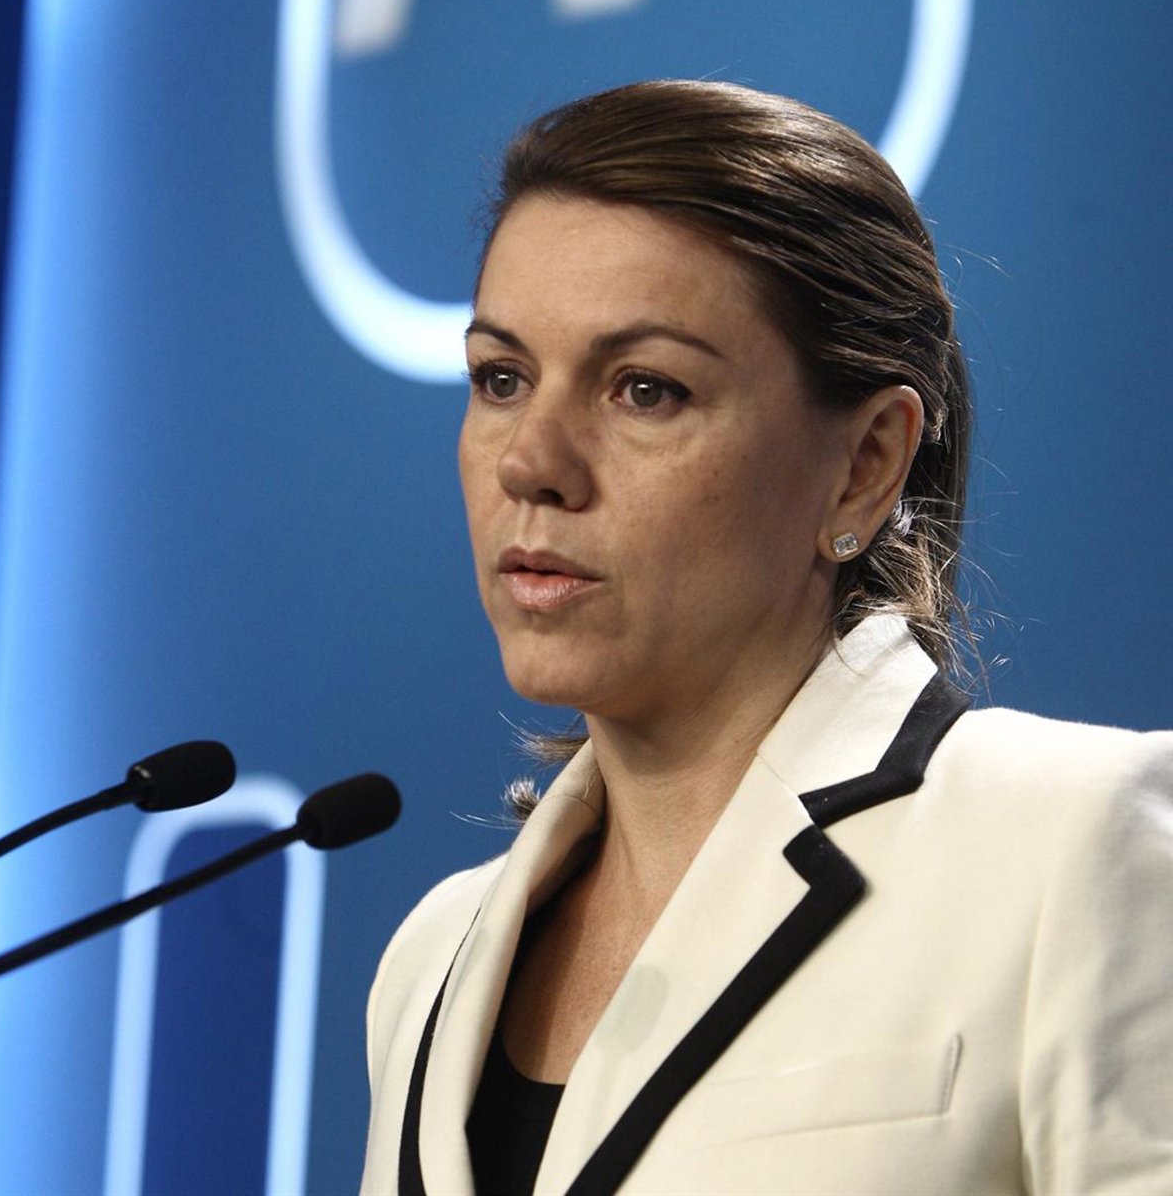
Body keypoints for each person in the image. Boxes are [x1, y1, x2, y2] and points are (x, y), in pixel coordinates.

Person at [359, 81, 1172, 1196]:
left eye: (645, 389)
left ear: (866, 465)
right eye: (502, 377)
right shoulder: (432, 960)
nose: (530, 461)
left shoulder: (1074, 844)